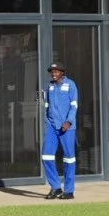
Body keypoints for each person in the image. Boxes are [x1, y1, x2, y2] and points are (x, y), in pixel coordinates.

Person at [41, 62, 80, 199]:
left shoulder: (70, 85)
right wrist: (47, 121)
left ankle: (69, 191)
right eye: (52, 71)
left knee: (69, 158)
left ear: (62, 73)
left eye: (56, 71)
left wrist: (69, 121)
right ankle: (56, 187)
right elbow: (47, 106)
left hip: (67, 127)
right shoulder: (49, 86)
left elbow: (74, 106)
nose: (54, 74)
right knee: (46, 155)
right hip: (52, 126)